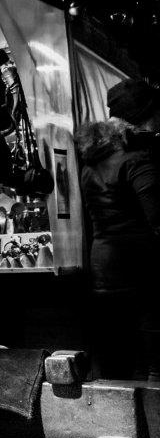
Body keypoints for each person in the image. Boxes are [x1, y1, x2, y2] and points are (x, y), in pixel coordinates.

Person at [75, 79, 160, 381]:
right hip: (142, 266)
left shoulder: (93, 160)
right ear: (145, 116)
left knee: (125, 361)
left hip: (105, 266)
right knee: (156, 363)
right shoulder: (137, 159)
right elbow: (158, 218)